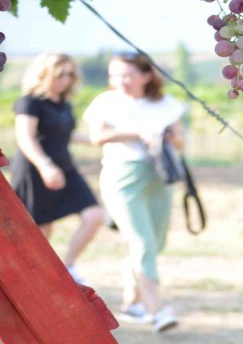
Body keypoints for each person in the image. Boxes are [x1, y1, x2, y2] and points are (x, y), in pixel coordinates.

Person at [83, 52, 185, 332]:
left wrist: (165, 136)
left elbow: (180, 143)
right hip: (122, 177)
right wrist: (139, 132)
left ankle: (131, 302)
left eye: (127, 74)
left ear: (146, 75)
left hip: (159, 177)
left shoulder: (166, 104)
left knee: (155, 242)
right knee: (142, 243)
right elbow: (97, 137)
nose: (120, 81)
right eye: (115, 75)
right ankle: (157, 310)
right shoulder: (106, 102)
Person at [11, 52, 104, 284]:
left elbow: (64, 133)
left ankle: (67, 267)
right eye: (60, 74)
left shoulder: (63, 104)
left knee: (94, 215)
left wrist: (99, 139)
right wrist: (45, 166)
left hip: (65, 167)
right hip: (36, 169)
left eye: (70, 74)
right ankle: (33, 279)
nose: (65, 79)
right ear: (44, 74)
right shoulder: (29, 103)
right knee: (41, 230)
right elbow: (25, 138)